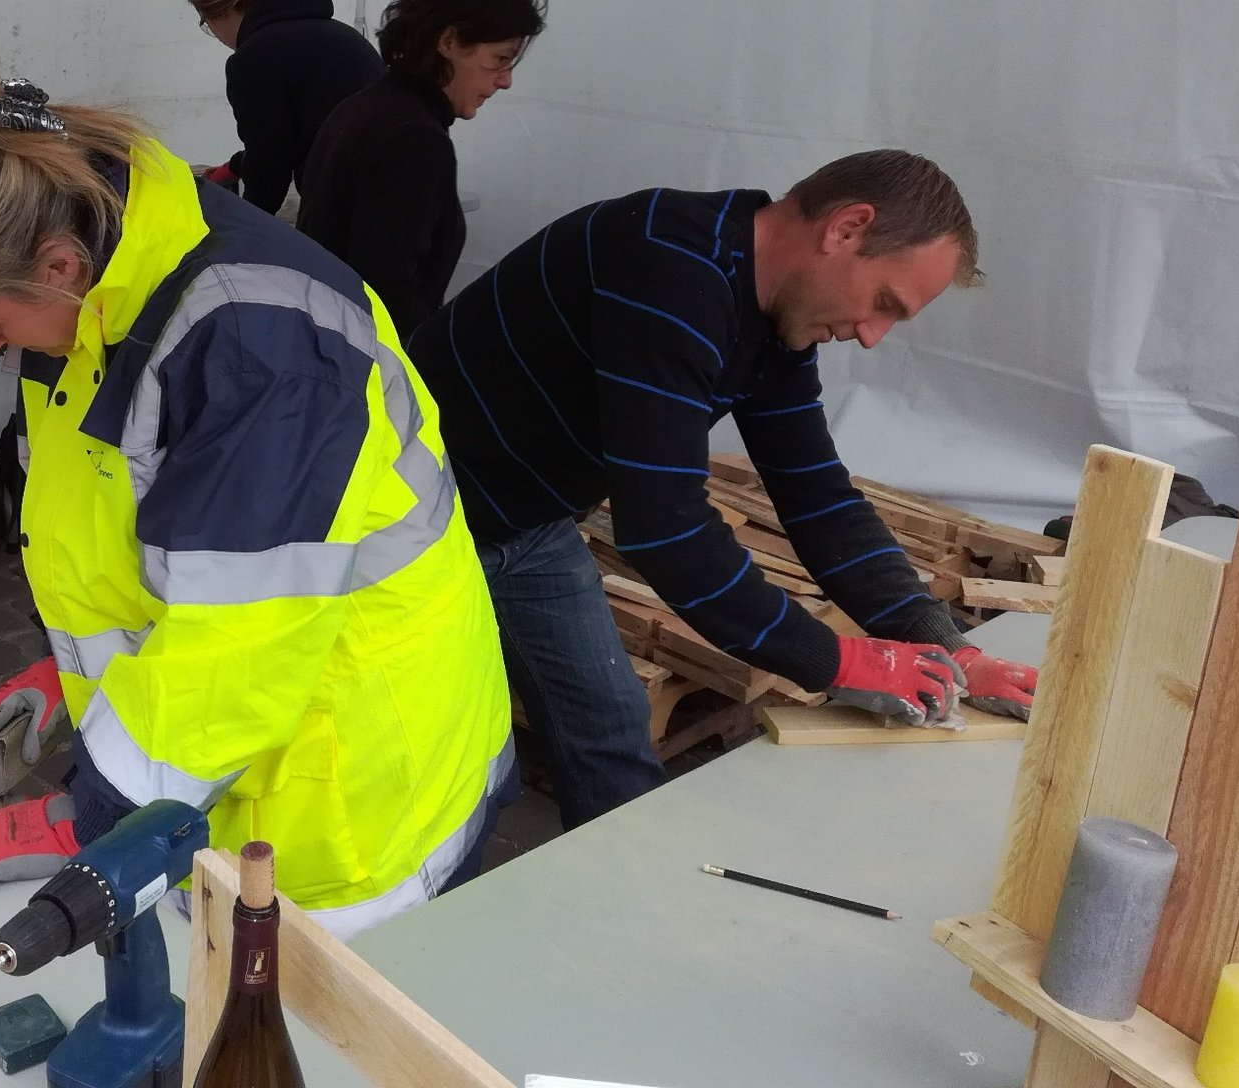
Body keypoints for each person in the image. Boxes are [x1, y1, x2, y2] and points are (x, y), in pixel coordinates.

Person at [0, 55, 513, 934]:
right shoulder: (95, 288)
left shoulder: (260, 350)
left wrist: (94, 818)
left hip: (355, 807)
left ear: (55, 265)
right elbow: (142, 544)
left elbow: (234, 652)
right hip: (250, 768)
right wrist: (71, 678)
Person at [409, 150, 1038, 829]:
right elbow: (667, 531)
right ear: (847, 228)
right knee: (444, 778)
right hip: (405, 527)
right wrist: (837, 658)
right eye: (885, 303)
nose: (871, 335)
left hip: (522, 525)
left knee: (611, 728)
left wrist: (944, 645)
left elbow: (818, 497)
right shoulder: (665, 264)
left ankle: (634, 914)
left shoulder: (773, 321)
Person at [298, 0, 544, 337]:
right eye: (499, 59)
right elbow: (387, 294)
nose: (505, 80)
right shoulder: (414, 139)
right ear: (448, 41)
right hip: (367, 365)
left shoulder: (367, 105)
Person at [187, 0, 379, 217]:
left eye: (205, 22)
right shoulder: (335, 34)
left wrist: (244, 230)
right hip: (405, 185)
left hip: (352, 208)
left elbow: (270, 169)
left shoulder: (253, 59)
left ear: (219, 9)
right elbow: (292, 134)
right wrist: (237, 166)